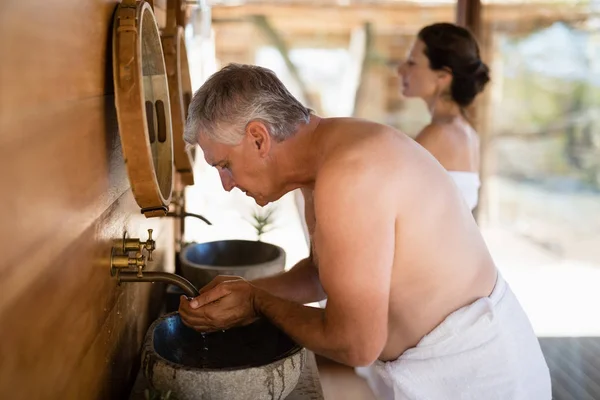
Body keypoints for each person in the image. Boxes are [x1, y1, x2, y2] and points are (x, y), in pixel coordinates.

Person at [179, 63, 551, 399]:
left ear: (259, 138)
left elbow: (355, 344)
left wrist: (257, 302)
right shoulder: (321, 157)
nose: (226, 184)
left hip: (482, 377)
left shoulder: (350, 173)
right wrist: (242, 293)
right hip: (441, 368)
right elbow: (323, 273)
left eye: (224, 165)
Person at [397, 22, 488, 211]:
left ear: (443, 76)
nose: (401, 70)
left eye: (412, 62)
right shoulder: (468, 133)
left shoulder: (437, 135)